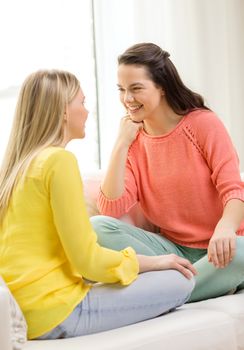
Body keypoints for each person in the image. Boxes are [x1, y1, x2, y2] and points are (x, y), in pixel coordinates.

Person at [0, 70, 195, 340]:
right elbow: (87, 260)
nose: (87, 111)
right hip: (57, 311)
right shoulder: (59, 161)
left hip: (23, 309)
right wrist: (153, 261)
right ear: (63, 111)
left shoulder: (15, 169)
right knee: (180, 281)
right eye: (82, 102)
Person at [91, 42, 244, 302]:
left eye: (136, 88)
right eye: (122, 90)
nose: (127, 99)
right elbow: (111, 208)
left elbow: (233, 189)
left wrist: (225, 227)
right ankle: (186, 287)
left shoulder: (202, 124)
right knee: (98, 227)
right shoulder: (133, 141)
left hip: (222, 247)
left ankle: (162, 293)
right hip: (170, 253)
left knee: (241, 252)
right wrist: (121, 144)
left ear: (161, 87)